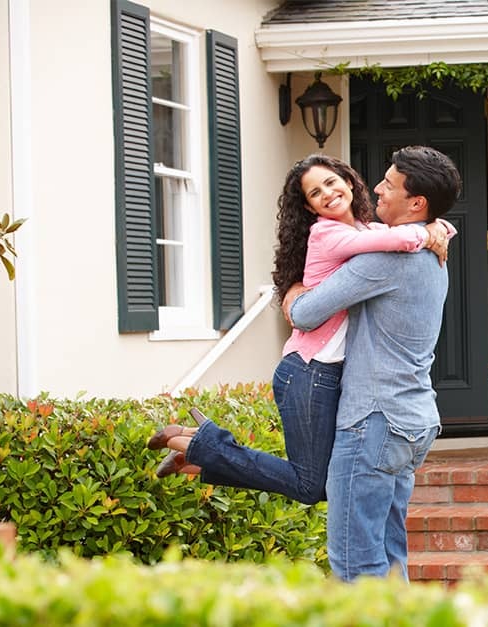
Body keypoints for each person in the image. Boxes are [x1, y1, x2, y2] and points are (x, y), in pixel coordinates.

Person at [145, 154, 453, 507]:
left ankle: (197, 455)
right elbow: (397, 242)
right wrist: (429, 230)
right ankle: (204, 444)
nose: (328, 193)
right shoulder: (329, 232)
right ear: (309, 208)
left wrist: (441, 227)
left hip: (330, 374)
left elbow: (391, 237)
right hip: (309, 371)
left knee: (316, 484)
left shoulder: (369, 231)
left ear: (350, 181)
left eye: (331, 182)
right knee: (312, 485)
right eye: (315, 192)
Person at [282, 145, 460, 581]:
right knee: (390, 554)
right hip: (414, 421)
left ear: (416, 203)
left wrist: (293, 292)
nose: (376, 187)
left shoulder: (384, 260)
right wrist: (436, 226)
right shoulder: (430, 252)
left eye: (389, 184)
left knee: (354, 563)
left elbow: (305, 313)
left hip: (373, 421)